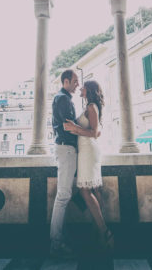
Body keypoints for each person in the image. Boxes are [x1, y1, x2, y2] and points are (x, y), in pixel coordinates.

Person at [63, 79, 114, 250]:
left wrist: (75, 129)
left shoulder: (92, 107)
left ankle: (104, 231)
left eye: (83, 86)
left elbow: (95, 133)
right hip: (86, 151)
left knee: (85, 191)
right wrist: (76, 127)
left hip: (88, 151)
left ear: (89, 90)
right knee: (95, 189)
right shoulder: (89, 106)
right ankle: (98, 233)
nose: (81, 88)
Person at [50, 69, 79, 257]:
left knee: (64, 195)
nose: (77, 84)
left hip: (66, 149)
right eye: (75, 81)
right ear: (66, 81)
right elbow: (69, 126)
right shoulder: (63, 98)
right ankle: (56, 243)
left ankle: (58, 239)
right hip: (66, 149)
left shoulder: (63, 98)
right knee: (63, 195)